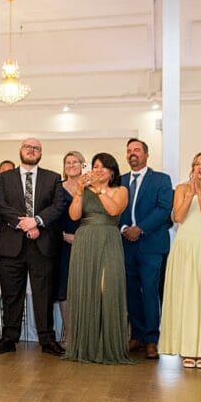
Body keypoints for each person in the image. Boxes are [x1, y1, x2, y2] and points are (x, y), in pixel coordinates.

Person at [0, 138, 68, 355]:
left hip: (42, 244)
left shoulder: (53, 178)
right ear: (20, 151)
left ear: (41, 153)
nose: (31, 151)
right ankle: (8, 338)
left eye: (36, 148)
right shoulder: (3, 178)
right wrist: (25, 224)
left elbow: (58, 206)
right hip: (11, 245)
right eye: (28, 147)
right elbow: (1, 205)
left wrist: (38, 221)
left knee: (44, 294)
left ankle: (47, 339)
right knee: (11, 294)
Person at [158, 152, 201, 368]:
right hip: (184, 244)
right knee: (185, 295)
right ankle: (187, 348)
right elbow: (178, 217)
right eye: (197, 164)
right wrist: (191, 194)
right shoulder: (181, 188)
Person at [64, 153, 132, 364]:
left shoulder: (121, 190)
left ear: (112, 171)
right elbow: (74, 216)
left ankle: (108, 346)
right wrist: (79, 192)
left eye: (103, 166)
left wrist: (98, 189)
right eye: (95, 166)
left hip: (109, 239)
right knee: (86, 289)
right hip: (85, 240)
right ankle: (86, 347)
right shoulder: (84, 190)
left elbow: (114, 210)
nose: (99, 169)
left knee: (107, 289)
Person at [120, 138, 174, 359]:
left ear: (146, 154)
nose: (133, 154)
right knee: (131, 292)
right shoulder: (120, 180)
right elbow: (114, 208)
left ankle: (152, 339)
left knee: (150, 292)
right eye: (129, 151)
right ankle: (138, 336)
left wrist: (140, 229)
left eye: (137, 150)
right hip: (126, 244)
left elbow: (163, 210)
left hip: (151, 244)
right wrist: (124, 227)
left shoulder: (161, 180)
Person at [56, 151, 85, 338]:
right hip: (63, 244)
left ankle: (86, 335)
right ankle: (69, 334)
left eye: (76, 162)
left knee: (85, 287)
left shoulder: (91, 188)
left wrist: (82, 237)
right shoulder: (56, 188)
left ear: (83, 165)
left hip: (87, 243)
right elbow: (50, 214)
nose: (71, 165)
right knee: (64, 288)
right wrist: (62, 236)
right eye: (68, 162)